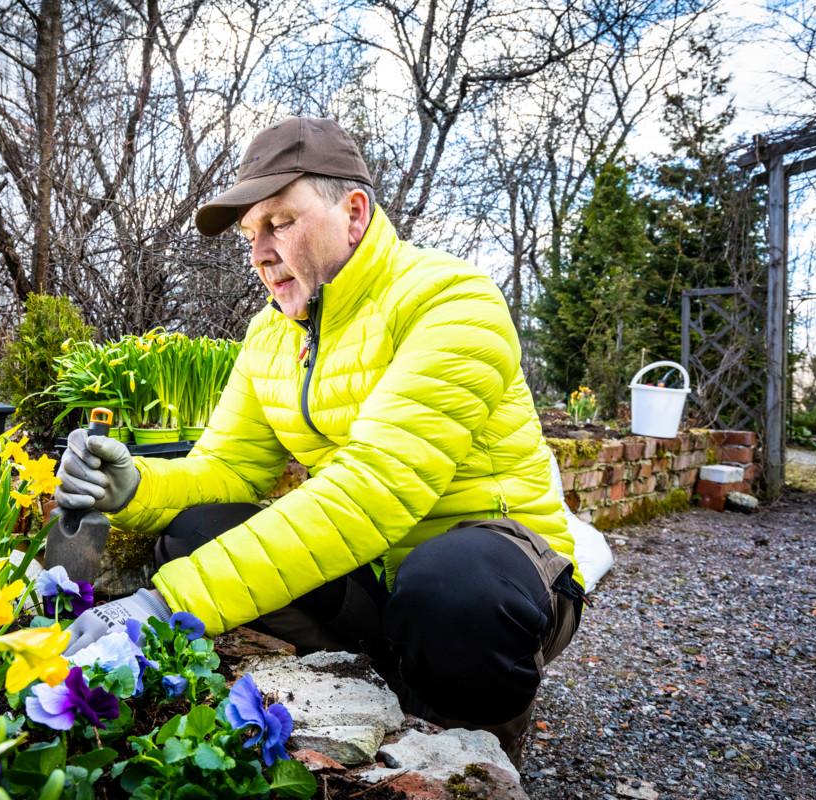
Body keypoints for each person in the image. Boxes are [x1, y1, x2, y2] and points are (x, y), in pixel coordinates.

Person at [54, 116, 585, 762]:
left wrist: (169, 602)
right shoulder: (270, 336)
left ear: (354, 213)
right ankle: (381, 674)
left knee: (450, 586)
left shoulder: (450, 300)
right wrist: (135, 485)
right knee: (195, 527)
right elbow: (227, 470)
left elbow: (375, 489)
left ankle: (476, 749)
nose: (258, 252)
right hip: (378, 580)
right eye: (251, 235)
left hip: (499, 574)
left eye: (278, 221)